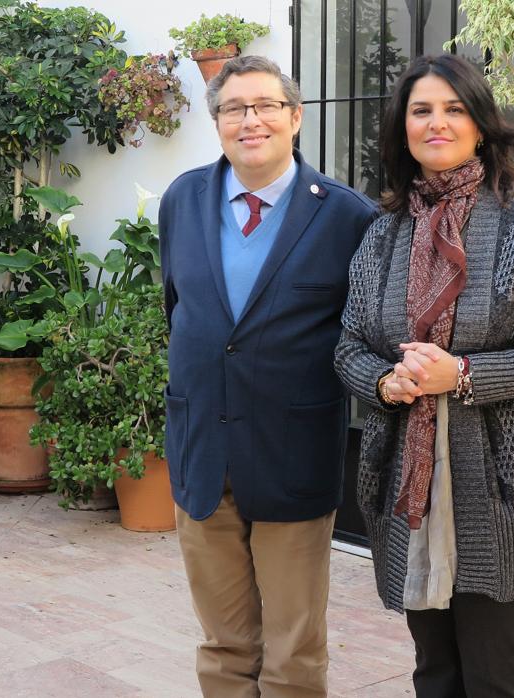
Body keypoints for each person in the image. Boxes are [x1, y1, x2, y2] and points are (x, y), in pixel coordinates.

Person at [333, 53, 514, 697]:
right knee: (434, 669)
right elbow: (349, 347)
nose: (437, 123)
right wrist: (387, 383)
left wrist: (463, 373)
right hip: (409, 482)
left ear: (480, 125)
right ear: (403, 129)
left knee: (494, 669)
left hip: (503, 483)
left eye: (454, 109)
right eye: (422, 110)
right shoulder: (383, 233)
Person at [158, 54, 378, 698]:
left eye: (265, 106)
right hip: (203, 456)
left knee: (293, 650)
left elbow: (360, 335)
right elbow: (181, 311)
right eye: (233, 109)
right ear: (218, 121)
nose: (249, 120)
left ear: (295, 118)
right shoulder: (183, 200)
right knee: (223, 643)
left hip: (292, 458)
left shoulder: (347, 217)